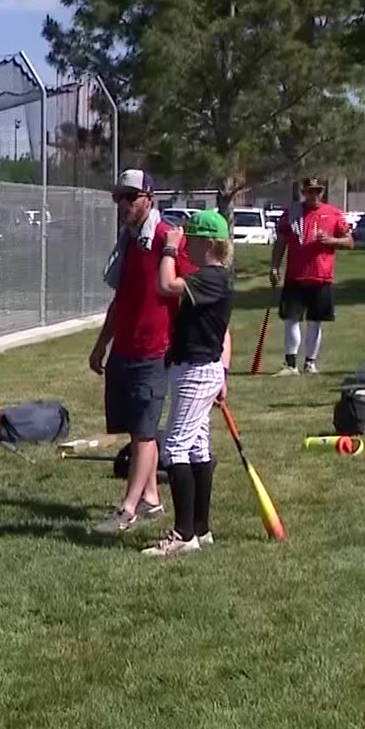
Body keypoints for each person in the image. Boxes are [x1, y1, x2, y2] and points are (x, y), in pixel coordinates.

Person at [90, 169, 187, 536]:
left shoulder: (167, 239)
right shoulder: (130, 243)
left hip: (155, 351)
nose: (124, 205)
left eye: (131, 197)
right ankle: (151, 499)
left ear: (150, 197)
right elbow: (121, 301)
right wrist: (101, 344)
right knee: (134, 427)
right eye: (119, 198)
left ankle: (127, 509)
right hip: (125, 350)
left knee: (146, 431)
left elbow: (193, 288)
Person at [143, 209, 234, 557]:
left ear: (210, 244)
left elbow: (166, 285)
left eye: (193, 241)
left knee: (175, 448)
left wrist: (168, 247)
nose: (187, 247)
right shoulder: (216, 277)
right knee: (197, 447)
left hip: (195, 369)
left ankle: (183, 534)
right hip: (202, 368)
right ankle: (201, 528)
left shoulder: (212, 276)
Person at [268, 176, 352, 375]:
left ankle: (310, 363)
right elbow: (280, 242)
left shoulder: (333, 214)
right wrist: (274, 267)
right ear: (303, 192)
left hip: (321, 276)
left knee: (315, 321)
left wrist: (330, 240)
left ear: (322, 193)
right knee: (291, 319)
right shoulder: (292, 213)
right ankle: (290, 364)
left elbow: (349, 242)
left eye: (317, 191)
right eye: (310, 191)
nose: (313, 195)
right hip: (295, 276)